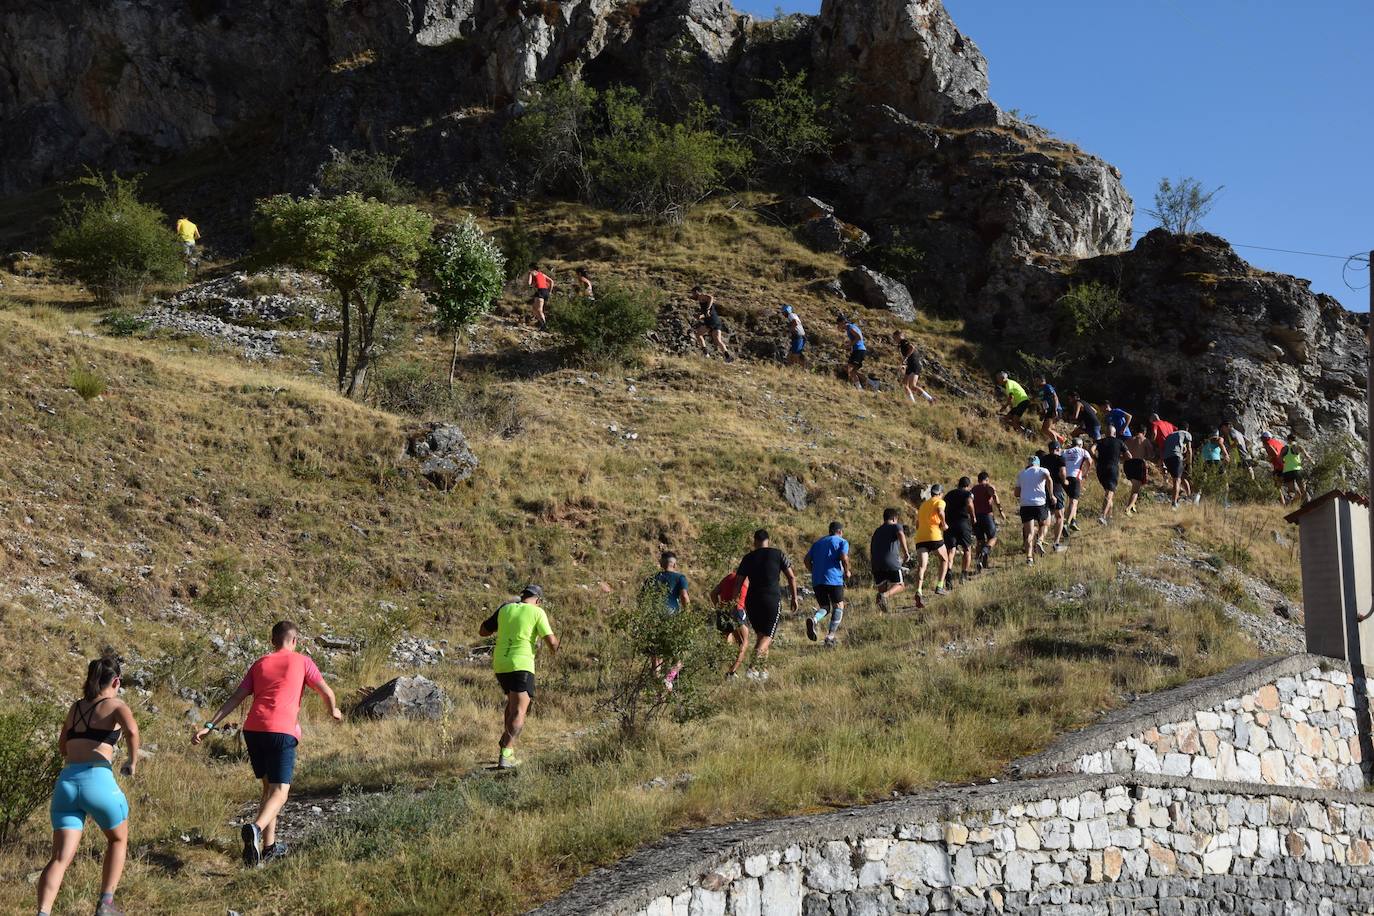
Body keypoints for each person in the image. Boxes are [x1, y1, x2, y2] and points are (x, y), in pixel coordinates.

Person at [194, 621, 343, 866]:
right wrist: (333, 711)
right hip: (281, 731)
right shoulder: (303, 662)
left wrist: (209, 726)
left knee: (268, 789)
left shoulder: (260, 663)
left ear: (272, 641)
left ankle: (269, 847)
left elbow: (236, 697)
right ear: (294, 641)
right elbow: (326, 692)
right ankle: (255, 828)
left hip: (253, 730)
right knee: (281, 792)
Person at [38, 656, 140, 916]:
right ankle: (106, 903)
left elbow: (63, 746)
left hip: (67, 783)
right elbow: (132, 731)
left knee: (60, 858)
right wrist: (132, 761)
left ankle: (43, 912)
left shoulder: (75, 708)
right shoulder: (116, 705)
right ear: (116, 681)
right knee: (118, 839)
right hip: (98, 779)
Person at [475, 587, 559, 769]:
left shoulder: (505, 608)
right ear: (538, 600)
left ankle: (508, 748)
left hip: (500, 665)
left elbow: (483, 631)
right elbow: (551, 641)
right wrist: (556, 650)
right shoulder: (537, 612)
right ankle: (506, 751)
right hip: (521, 665)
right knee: (520, 711)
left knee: (512, 706)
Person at [731, 530, 800, 680]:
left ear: (754, 541)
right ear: (768, 540)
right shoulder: (778, 554)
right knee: (768, 636)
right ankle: (752, 667)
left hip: (752, 601)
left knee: (761, 635)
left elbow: (738, 581)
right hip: (771, 599)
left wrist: (734, 601)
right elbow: (791, 577)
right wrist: (794, 598)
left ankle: (762, 672)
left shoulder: (748, 558)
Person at [646, 552, 690, 690]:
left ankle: (656, 686)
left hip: (653, 618)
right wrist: (687, 615)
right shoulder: (680, 578)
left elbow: (642, 599)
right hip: (672, 618)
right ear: (675, 564)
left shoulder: (651, 579)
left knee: (656, 655)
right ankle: (668, 679)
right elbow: (684, 596)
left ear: (660, 563)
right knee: (679, 654)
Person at [804, 522, 851, 647]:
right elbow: (844, 557)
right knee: (839, 606)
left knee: (825, 607)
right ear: (840, 531)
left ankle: (814, 620)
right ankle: (830, 635)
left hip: (817, 580)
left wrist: (814, 571)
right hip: (834, 579)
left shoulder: (818, 543)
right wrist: (846, 571)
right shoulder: (842, 542)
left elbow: (806, 560)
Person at [911, 484, 950, 604]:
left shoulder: (923, 505)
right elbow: (940, 511)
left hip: (920, 538)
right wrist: (943, 524)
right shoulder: (939, 501)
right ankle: (939, 586)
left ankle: (919, 591)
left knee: (922, 566)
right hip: (934, 536)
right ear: (940, 493)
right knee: (944, 559)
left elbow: (917, 524)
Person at [710, 570, 750, 678]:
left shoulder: (729, 576)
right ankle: (731, 673)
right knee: (743, 642)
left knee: (725, 641)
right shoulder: (747, 579)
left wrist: (719, 608)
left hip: (723, 611)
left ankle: (714, 665)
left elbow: (713, 593)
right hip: (737, 610)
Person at [1014, 456, 1053, 565]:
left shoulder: (1022, 473)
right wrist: (1051, 495)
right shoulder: (1042, 470)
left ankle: (1029, 558)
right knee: (1044, 524)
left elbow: (1016, 493)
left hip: (1025, 505)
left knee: (1029, 533)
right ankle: (1040, 540)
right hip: (1039, 503)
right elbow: (1049, 479)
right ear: (1038, 463)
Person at [869, 507, 910, 612]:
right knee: (900, 585)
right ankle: (885, 595)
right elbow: (900, 534)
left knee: (881, 589)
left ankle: (881, 614)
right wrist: (906, 552)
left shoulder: (877, 531)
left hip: (876, 564)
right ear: (894, 518)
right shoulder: (895, 526)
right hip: (891, 561)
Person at [941, 477, 977, 585]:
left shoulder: (949, 494)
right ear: (968, 485)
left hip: (949, 524)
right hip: (963, 523)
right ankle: (964, 575)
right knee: (967, 549)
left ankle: (949, 572)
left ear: (958, 484)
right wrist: (973, 516)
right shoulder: (967, 494)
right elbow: (970, 503)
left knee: (950, 550)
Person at [971, 471, 1007, 570]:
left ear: (978, 480)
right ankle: (984, 552)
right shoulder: (987, 486)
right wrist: (1001, 511)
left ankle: (981, 563)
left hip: (976, 517)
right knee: (993, 537)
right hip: (987, 516)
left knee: (980, 541)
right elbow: (994, 495)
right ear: (986, 479)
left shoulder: (973, 489)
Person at [1039, 440, 1069, 551]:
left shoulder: (1044, 459)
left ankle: (1040, 539)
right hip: (1056, 489)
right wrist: (1064, 481)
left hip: (1044, 490)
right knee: (1060, 516)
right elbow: (1062, 472)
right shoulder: (1060, 458)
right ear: (1058, 449)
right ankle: (1056, 543)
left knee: (1047, 516)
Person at [1094, 425, 1126, 524]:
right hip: (1113, 469)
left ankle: (1109, 517)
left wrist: (1096, 460)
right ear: (1115, 433)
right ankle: (1102, 516)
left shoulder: (1100, 441)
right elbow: (1129, 455)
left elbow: (1091, 449)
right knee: (1109, 493)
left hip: (1100, 469)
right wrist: (1119, 459)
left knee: (1108, 492)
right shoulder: (1119, 442)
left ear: (1106, 433)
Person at [1061, 437, 1093, 533]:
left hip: (1065, 478)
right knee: (1073, 502)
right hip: (1076, 477)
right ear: (1080, 445)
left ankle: (1073, 521)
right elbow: (1090, 461)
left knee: (1072, 500)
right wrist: (1085, 472)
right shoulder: (1083, 451)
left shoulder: (1065, 451)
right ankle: (1066, 523)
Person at [691, 287, 732, 360]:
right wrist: (700, 316)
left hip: (710, 321)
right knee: (718, 340)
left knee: (698, 334)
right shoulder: (701, 301)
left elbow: (711, 297)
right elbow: (707, 314)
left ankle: (705, 353)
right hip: (715, 320)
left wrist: (707, 309)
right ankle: (727, 356)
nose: (693, 295)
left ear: (697, 292)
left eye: (693, 293)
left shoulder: (701, 296)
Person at [1162, 421, 1193, 508]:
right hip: (1176, 457)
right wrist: (1189, 463)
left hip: (1167, 458)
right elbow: (1189, 449)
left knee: (1181, 476)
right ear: (1187, 428)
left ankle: (1189, 497)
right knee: (1177, 480)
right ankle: (1174, 503)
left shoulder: (1170, 435)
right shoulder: (1186, 433)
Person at [836, 315, 867, 390]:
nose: (838, 325)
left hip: (858, 350)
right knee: (852, 371)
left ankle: (861, 386)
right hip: (859, 350)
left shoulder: (850, 327)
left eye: (839, 323)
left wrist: (849, 345)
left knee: (849, 369)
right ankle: (861, 387)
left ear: (843, 322)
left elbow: (859, 337)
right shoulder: (851, 327)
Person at [1123, 435, 1151, 515]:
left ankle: (1132, 505)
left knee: (1135, 485)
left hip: (1127, 464)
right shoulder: (1144, 439)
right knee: (1136, 490)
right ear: (1145, 432)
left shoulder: (1128, 440)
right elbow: (1150, 454)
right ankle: (1128, 509)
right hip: (1138, 463)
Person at [1280, 435, 1309, 505]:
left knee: (1294, 491)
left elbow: (1281, 459)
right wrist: (1311, 461)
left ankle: (1293, 506)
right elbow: (1307, 456)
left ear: (1288, 440)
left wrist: (1284, 462)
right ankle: (1306, 504)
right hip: (1297, 470)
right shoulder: (1298, 447)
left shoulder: (1284, 448)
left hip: (1287, 471)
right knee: (1303, 489)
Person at [1034, 375, 1062, 443]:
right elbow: (1044, 402)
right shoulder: (1040, 390)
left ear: (1041, 380)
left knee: (1045, 429)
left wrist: (1055, 409)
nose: (1035, 382)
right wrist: (1043, 413)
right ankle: (1061, 439)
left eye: (1037, 380)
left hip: (1054, 409)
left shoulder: (1047, 386)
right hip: (1049, 410)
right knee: (1045, 429)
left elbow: (1055, 397)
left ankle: (1056, 445)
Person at [1261, 430, 1288, 501]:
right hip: (1286, 464)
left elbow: (1275, 454)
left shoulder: (1267, 443)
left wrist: (1270, 458)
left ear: (1267, 438)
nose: (1262, 440)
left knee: (1277, 487)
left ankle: (1283, 505)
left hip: (1279, 467)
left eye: (1263, 438)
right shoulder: (1277, 442)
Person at [527, 263, 554, 330]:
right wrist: (550, 291)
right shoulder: (542, 274)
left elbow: (529, 283)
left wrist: (531, 285)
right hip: (546, 292)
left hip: (540, 291)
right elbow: (551, 281)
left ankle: (544, 325)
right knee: (534, 307)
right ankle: (536, 319)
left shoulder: (531, 272)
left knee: (539, 310)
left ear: (531, 268)